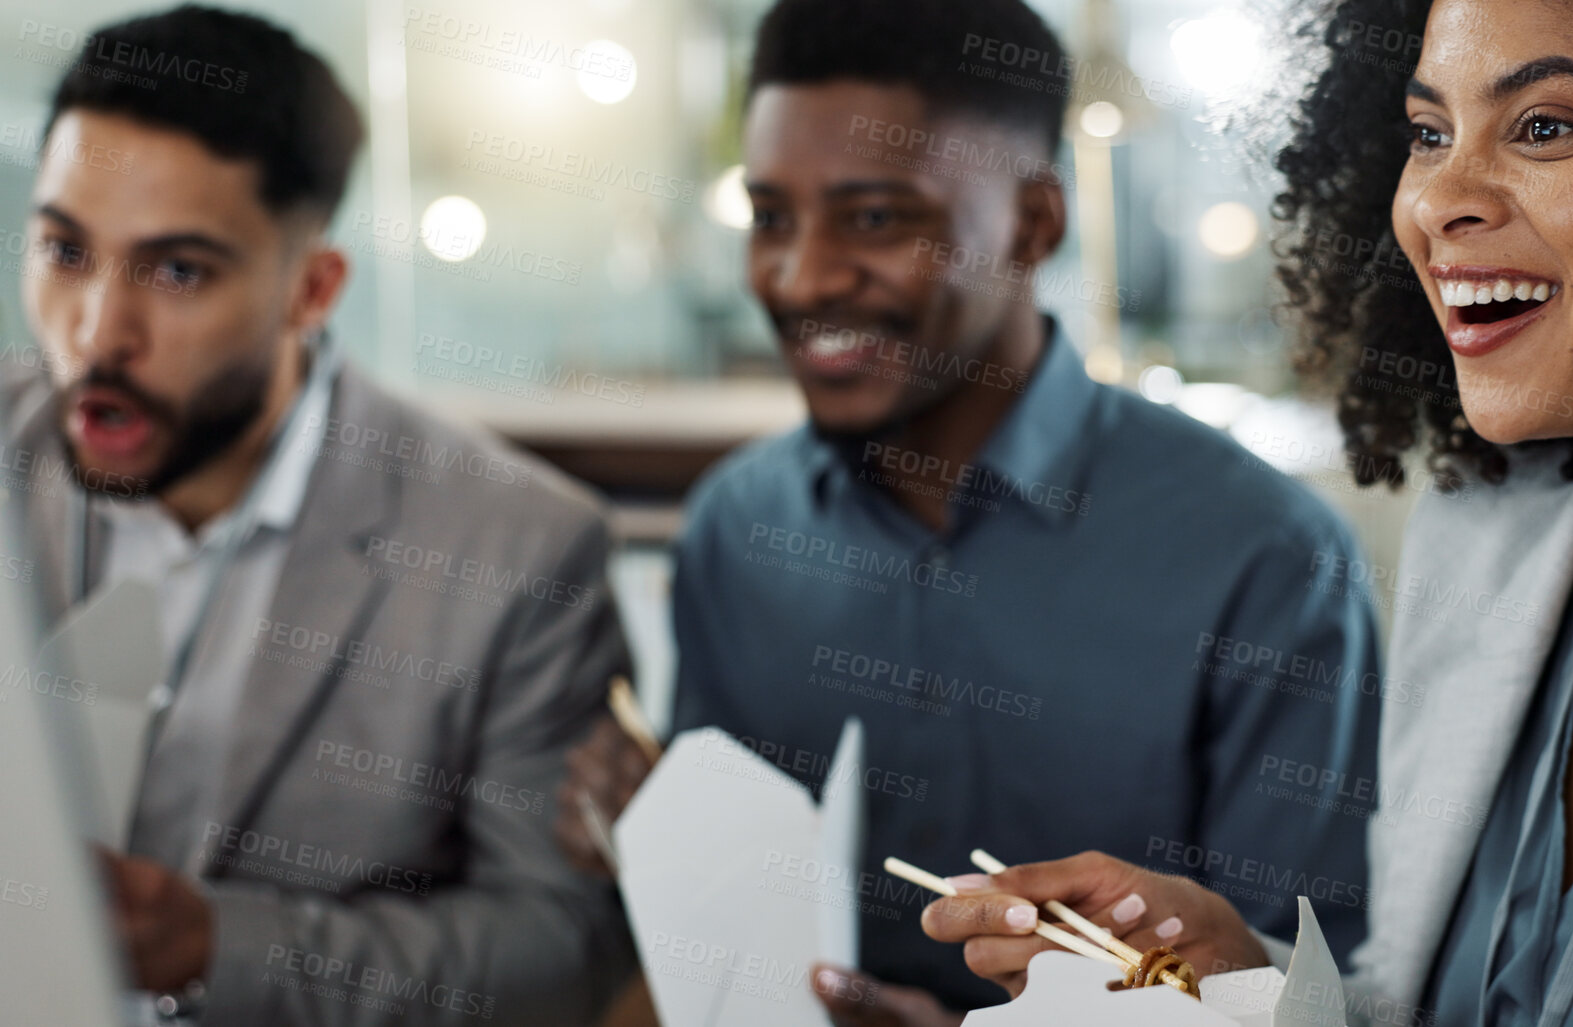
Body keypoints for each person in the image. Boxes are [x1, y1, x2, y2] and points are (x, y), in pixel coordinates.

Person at [919, 0, 1573, 1024]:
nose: (1440, 200)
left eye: (1545, 126)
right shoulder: (1480, 544)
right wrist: (1233, 984)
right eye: (1428, 133)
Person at [554, 0, 1387, 1020]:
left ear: (1034, 223)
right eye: (770, 216)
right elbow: (725, 924)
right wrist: (651, 841)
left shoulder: (1266, 558)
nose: (800, 275)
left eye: (876, 219)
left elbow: (1289, 994)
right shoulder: (738, 528)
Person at [2, 7, 635, 1024]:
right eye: (64, 250)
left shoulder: (513, 548)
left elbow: (557, 952)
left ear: (313, 288)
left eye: (176, 272)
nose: (96, 334)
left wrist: (211, 944)